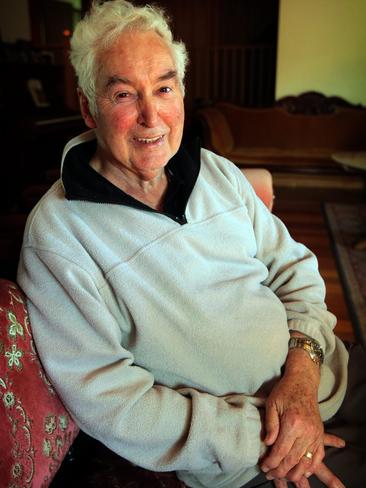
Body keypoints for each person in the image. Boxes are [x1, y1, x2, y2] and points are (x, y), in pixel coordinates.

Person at [17, 1, 366, 487]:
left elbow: (294, 269)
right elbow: (111, 401)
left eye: (164, 88)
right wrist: (270, 437)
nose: (151, 116)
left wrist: (304, 378)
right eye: (123, 94)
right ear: (87, 107)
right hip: (254, 458)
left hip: (327, 371)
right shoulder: (58, 236)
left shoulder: (216, 172)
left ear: (181, 92)